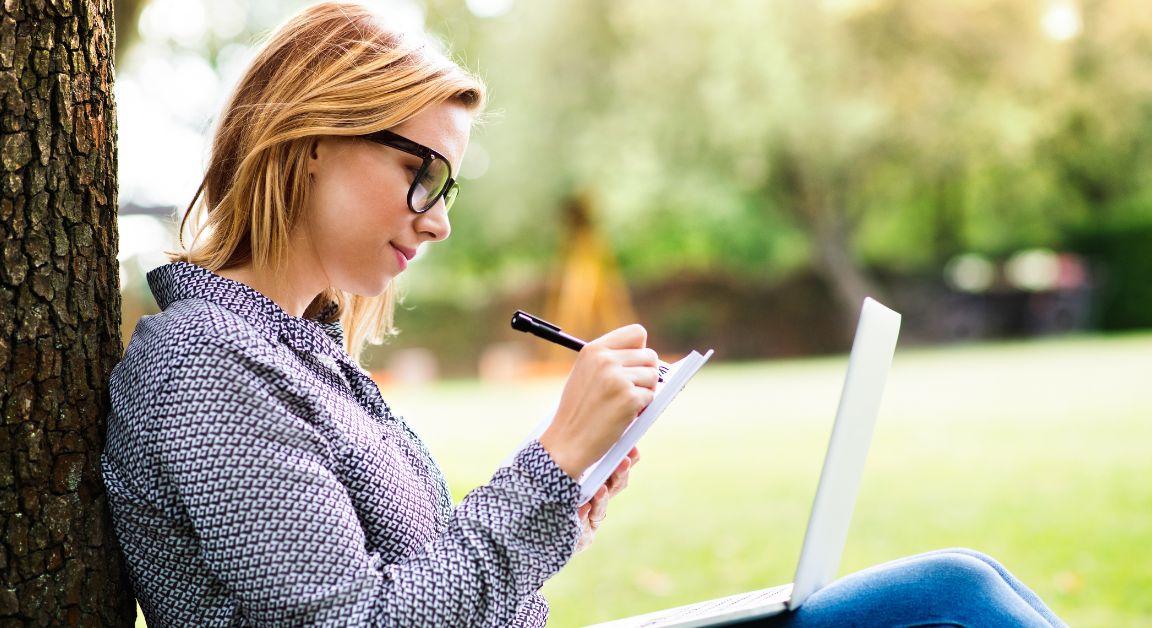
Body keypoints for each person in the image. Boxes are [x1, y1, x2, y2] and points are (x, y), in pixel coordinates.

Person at [100, 3, 1067, 627]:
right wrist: (550, 464)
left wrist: (561, 504)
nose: (436, 221)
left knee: (960, 583)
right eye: (420, 172)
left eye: (448, 187)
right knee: (953, 600)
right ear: (310, 139)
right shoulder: (205, 365)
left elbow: (432, 591)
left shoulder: (299, 357)